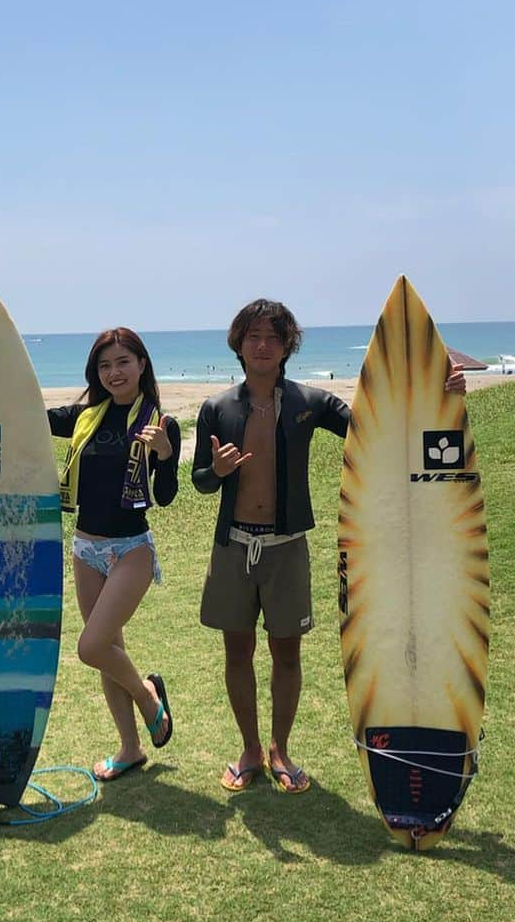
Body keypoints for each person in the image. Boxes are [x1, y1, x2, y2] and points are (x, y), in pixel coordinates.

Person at [191, 299, 465, 795]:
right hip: (233, 547)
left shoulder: (308, 403)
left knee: (287, 655)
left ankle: (280, 749)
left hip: (286, 548)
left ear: (286, 347)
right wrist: (220, 471)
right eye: (253, 336)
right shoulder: (216, 409)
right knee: (238, 653)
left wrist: (436, 392)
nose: (262, 345)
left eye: (273, 337)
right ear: (239, 343)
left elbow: (373, 420)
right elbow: (201, 482)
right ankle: (249, 749)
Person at [0, 327, 180, 782]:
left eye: (123, 362)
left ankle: (149, 696)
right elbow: (18, 413)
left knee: (92, 647)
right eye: (104, 366)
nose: (114, 373)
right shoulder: (85, 417)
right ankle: (130, 748)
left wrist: (165, 454)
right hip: (86, 548)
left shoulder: (159, 424)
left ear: (142, 365)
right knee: (111, 648)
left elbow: (165, 496)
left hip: (132, 550)